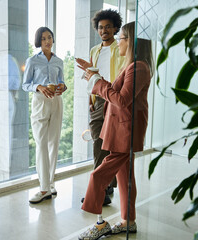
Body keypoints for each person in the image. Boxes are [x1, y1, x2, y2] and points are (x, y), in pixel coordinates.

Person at [78, 21, 154, 239]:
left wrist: (96, 81)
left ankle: (99, 224)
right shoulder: (133, 66)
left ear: (131, 42)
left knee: (98, 176)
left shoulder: (138, 67)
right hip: (122, 129)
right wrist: (95, 76)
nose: (118, 41)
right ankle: (128, 221)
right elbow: (117, 91)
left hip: (125, 131)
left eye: (121, 38)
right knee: (125, 178)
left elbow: (121, 100)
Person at [75, 9, 125, 205]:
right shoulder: (94, 51)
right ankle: (102, 188)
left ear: (115, 28)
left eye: (108, 27)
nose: (104, 30)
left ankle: (105, 187)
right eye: (101, 27)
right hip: (98, 99)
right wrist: (90, 98)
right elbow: (91, 76)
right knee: (98, 142)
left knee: (112, 144)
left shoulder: (120, 48)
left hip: (114, 97)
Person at [22, 27, 67, 204]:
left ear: (53, 39)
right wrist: (38, 87)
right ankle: (43, 188)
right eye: (43, 39)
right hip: (40, 102)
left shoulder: (59, 61)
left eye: (49, 37)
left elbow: (62, 81)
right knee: (41, 144)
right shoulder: (32, 61)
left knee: (53, 144)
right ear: (39, 42)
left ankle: (50, 183)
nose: (47, 41)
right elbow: (25, 85)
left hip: (56, 101)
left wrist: (63, 86)